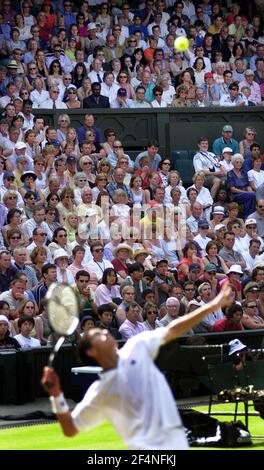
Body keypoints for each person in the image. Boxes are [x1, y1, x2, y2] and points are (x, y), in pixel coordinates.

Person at [41, 283, 231, 450]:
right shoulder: (101, 391)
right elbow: (70, 428)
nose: (106, 333)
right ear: (92, 352)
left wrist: (214, 305)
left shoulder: (137, 346)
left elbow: (174, 328)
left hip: (177, 441)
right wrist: (56, 394)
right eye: (99, 334)